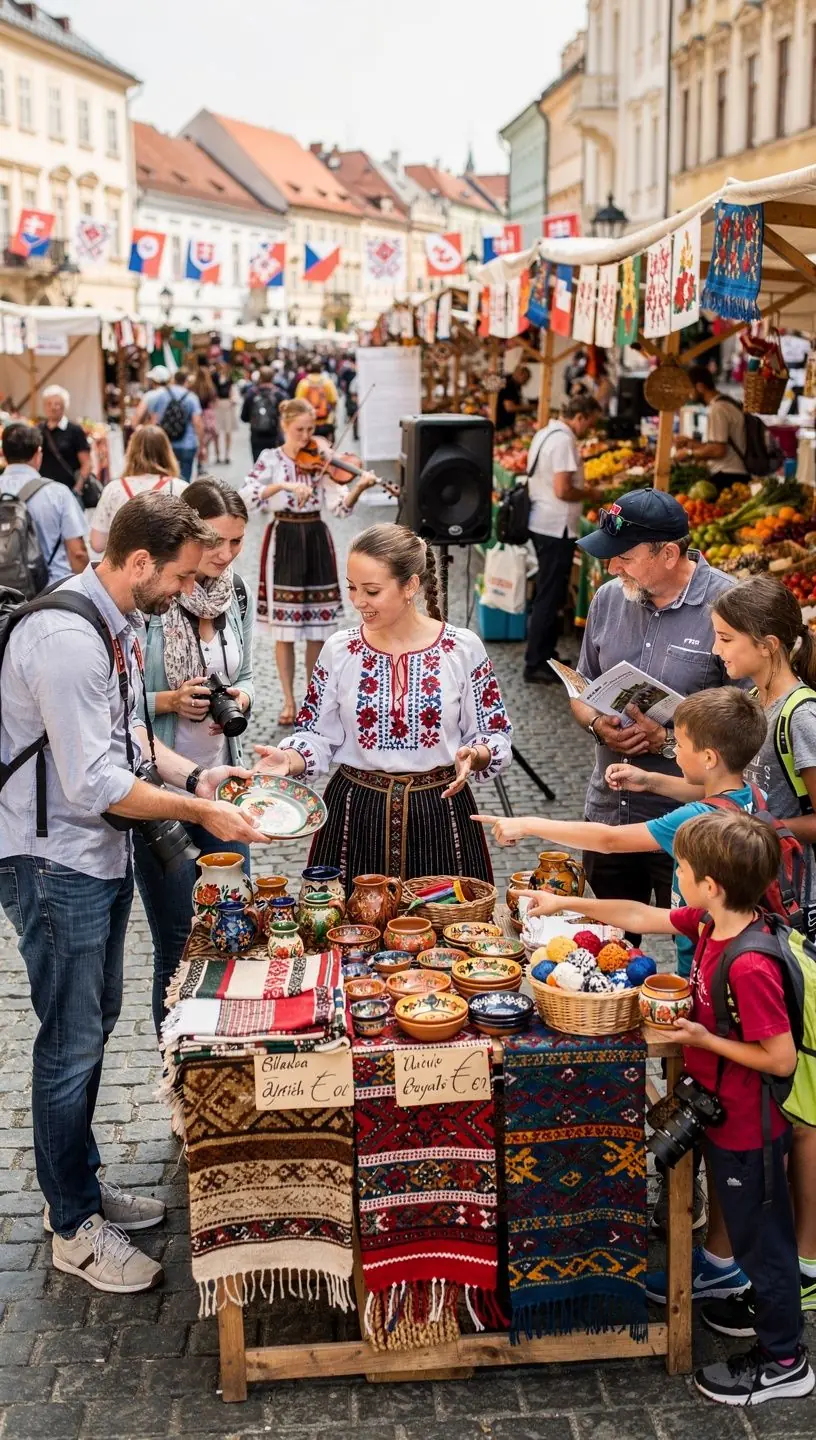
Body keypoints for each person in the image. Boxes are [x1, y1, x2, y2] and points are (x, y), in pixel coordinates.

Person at [0, 493, 260, 1295]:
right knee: (71, 1041)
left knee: (91, 1025)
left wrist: (198, 773)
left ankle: (74, 1190)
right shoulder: (69, 638)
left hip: (88, 856)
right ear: (138, 561)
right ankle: (74, 1225)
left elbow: (129, 740)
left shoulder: (108, 620)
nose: (187, 588)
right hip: (54, 862)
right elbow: (95, 781)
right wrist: (202, 809)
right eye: (180, 574)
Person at [525, 811, 815, 1410]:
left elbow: (781, 1059)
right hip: (725, 1117)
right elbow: (641, 915)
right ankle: (760, 1308)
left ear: (709, 882)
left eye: (680, 867)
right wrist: (559, 904)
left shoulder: (751, 962)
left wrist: (704, 1041)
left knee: (766, 1241)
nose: (674, 874)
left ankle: (785, 1360)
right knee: (757, 1233)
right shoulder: (714, 923)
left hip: (748, 1125)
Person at [253, 523, 513, 890]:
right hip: (355, 814)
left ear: (410, 586)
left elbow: (493, 730)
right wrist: (290, 759)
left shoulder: (462, 648)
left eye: (372, 591)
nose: (358, 601)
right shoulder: (340, 650)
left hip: (439, 812)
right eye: (352, 588)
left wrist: (479, 753)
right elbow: (316, 735)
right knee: (350, 934)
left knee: (448, 937)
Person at [571, 488, 734, 911]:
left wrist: (665, 740)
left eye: (624, 556)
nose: (612, 566)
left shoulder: (728, 608)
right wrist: (594, 723)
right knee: (610, 947)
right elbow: (580, 688)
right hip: (610, 812)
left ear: (669, 555)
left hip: (692, 824)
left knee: (693, 948)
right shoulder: (608, 598)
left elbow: (747, 727)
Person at [135, 478, 255, 1036]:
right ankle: (178, 1076)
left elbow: (246, 674)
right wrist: (172, 700)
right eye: (217, 543)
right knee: (181, 943)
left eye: (237, 542)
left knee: (232, 930)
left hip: (222, 779)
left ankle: (223, 1065)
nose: (226, 555)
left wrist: (241, 698)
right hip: (162, 788)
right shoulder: (153, 598)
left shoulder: (237, 596)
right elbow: (125, 706)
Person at [240, 397, 377, 726]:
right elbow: (245, 495)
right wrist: (282, 485)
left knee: (316, 629)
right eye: (300, 429)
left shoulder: (322, 460)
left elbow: (340, 508)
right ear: (284, 426)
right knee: (284, 632)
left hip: (315, 537)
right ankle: (288, 700)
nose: (307, 436)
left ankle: (312, 699)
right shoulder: (269, 458)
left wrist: (357, 488)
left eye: (311, 429)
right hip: (283, 538)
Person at [524, 394, 603, 684]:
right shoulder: (564, 440)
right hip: (554, 525)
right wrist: (591, 494)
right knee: (549, 594)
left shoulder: (545, 433)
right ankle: (535, 663)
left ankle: (546, 654)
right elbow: (563, 489)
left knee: (549, 592)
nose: (589, 430)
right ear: (580, 416)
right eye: (590, 423)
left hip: (544, 522)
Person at [1, 421, 88, 583]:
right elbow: (77, 553)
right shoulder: (58, 493)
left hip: (4, 596)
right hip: (51, 593)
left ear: (3, 453)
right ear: (38, 453)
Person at [89, 427, 186, 554]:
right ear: (167, 452)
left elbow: (97, 544)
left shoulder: (113, 489)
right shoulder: (180, 488)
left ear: (130, 452)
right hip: (166, 566)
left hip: (123, 569)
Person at [674, 366, 749, 491]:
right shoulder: (727, 403)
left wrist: (689, 453)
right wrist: (692, 444)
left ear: (700, 387)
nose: (689, 394)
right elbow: (718, 444)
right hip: (733, 473)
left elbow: (719, 450)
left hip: (728, 475)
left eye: (689, 389)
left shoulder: (718, 409)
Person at [131, 367, 202, 482]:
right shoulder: (191, 397)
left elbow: (153, 420)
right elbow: (197, 422)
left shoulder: (159, 395)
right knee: (184, 480)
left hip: (166, 443)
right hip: (188, 444)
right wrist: (201, 445)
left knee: (166, 480)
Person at [37, 385, 92, 501]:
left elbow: (86, 463)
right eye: (49, 404)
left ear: (64, 406)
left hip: (69, 491)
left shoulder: (75, 430)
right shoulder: (38, 430)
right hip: (44, 491)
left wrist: (77, 488)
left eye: (57, 404)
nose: (53, 407)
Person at [241, 365, 283, 462]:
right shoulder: (279, 394)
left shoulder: (252, 393)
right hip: (274, 436)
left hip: (256, 436)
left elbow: (244, 417)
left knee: (259, 465)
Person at [295, 358, 338, 441]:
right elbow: (334, 401)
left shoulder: (303, 383)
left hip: (308, 423)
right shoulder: (328, 383)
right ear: (321, 369)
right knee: (326, 446)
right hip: (326, 421)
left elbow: (298, 403)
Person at [192, 359, 218, 469]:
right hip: (207, 415)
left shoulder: (193, 388)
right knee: (206, 438)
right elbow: (214, 402)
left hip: (196, 415)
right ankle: (202, 458)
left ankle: (198, 459)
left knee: (197, 437)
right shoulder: (210, 388)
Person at [495, 363, 531, 432]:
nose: (526, 381)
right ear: (520, 374)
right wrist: (530, 407)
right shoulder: (509, 384)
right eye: (526, 378)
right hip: (502, 423)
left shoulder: (516, 385)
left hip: (509, 422)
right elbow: (509, 407)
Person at [213, 363, 236, 464]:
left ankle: (227, 455)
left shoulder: (230, 379)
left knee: (228, 431)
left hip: (227, 405)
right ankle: (217, 455)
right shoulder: (214, 377)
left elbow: (232, 391)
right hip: (217, 406)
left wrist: (232, 399)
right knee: (216, 432)